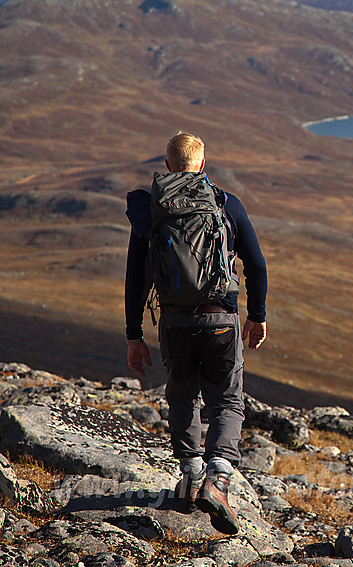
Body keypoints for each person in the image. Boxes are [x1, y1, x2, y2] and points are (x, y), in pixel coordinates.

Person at [124, 132, 268, 535]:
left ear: (167, 166)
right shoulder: (226, 205)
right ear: (203, 165)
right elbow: (256, 266)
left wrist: (134, 336)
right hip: (221, 319)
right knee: (227, 402)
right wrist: (256, 315)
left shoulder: (152, 211)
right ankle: (218, 480)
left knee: (183, 394)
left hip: (175, 323)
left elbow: (135, 279)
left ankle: (189, 479)